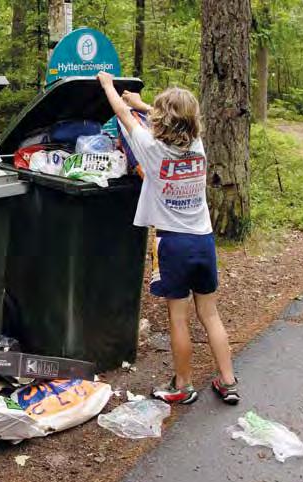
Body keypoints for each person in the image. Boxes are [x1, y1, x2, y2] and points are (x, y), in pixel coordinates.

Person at [97, 71, 239, 405]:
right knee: (210, 314)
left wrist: (108, 86)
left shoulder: (151, 148)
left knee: (178, 316)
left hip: (173, 244)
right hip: (203, 241)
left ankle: (183, 386)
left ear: (160, 121)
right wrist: (141, 103)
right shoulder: (199, 146)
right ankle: (228, 381)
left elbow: (120, 114)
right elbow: (178, 121)